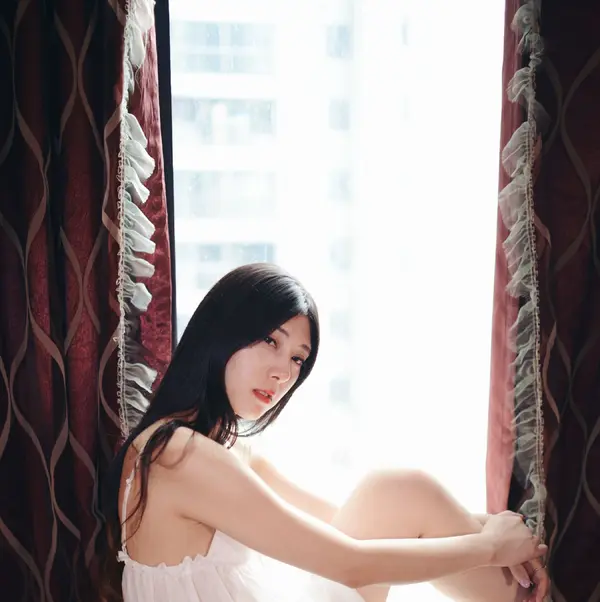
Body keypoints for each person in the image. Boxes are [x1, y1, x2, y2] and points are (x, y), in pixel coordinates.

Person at [102, 263, 549, 602]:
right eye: (271, 342)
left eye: (297, 359)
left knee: (399, 493)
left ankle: (519, 584)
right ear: (222, 331)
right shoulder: (178, 455)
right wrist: (492, 548)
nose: (283, 373)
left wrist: (496, 531)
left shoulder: (221, 450)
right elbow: (349, 562)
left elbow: (345, 526)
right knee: (400, 491)